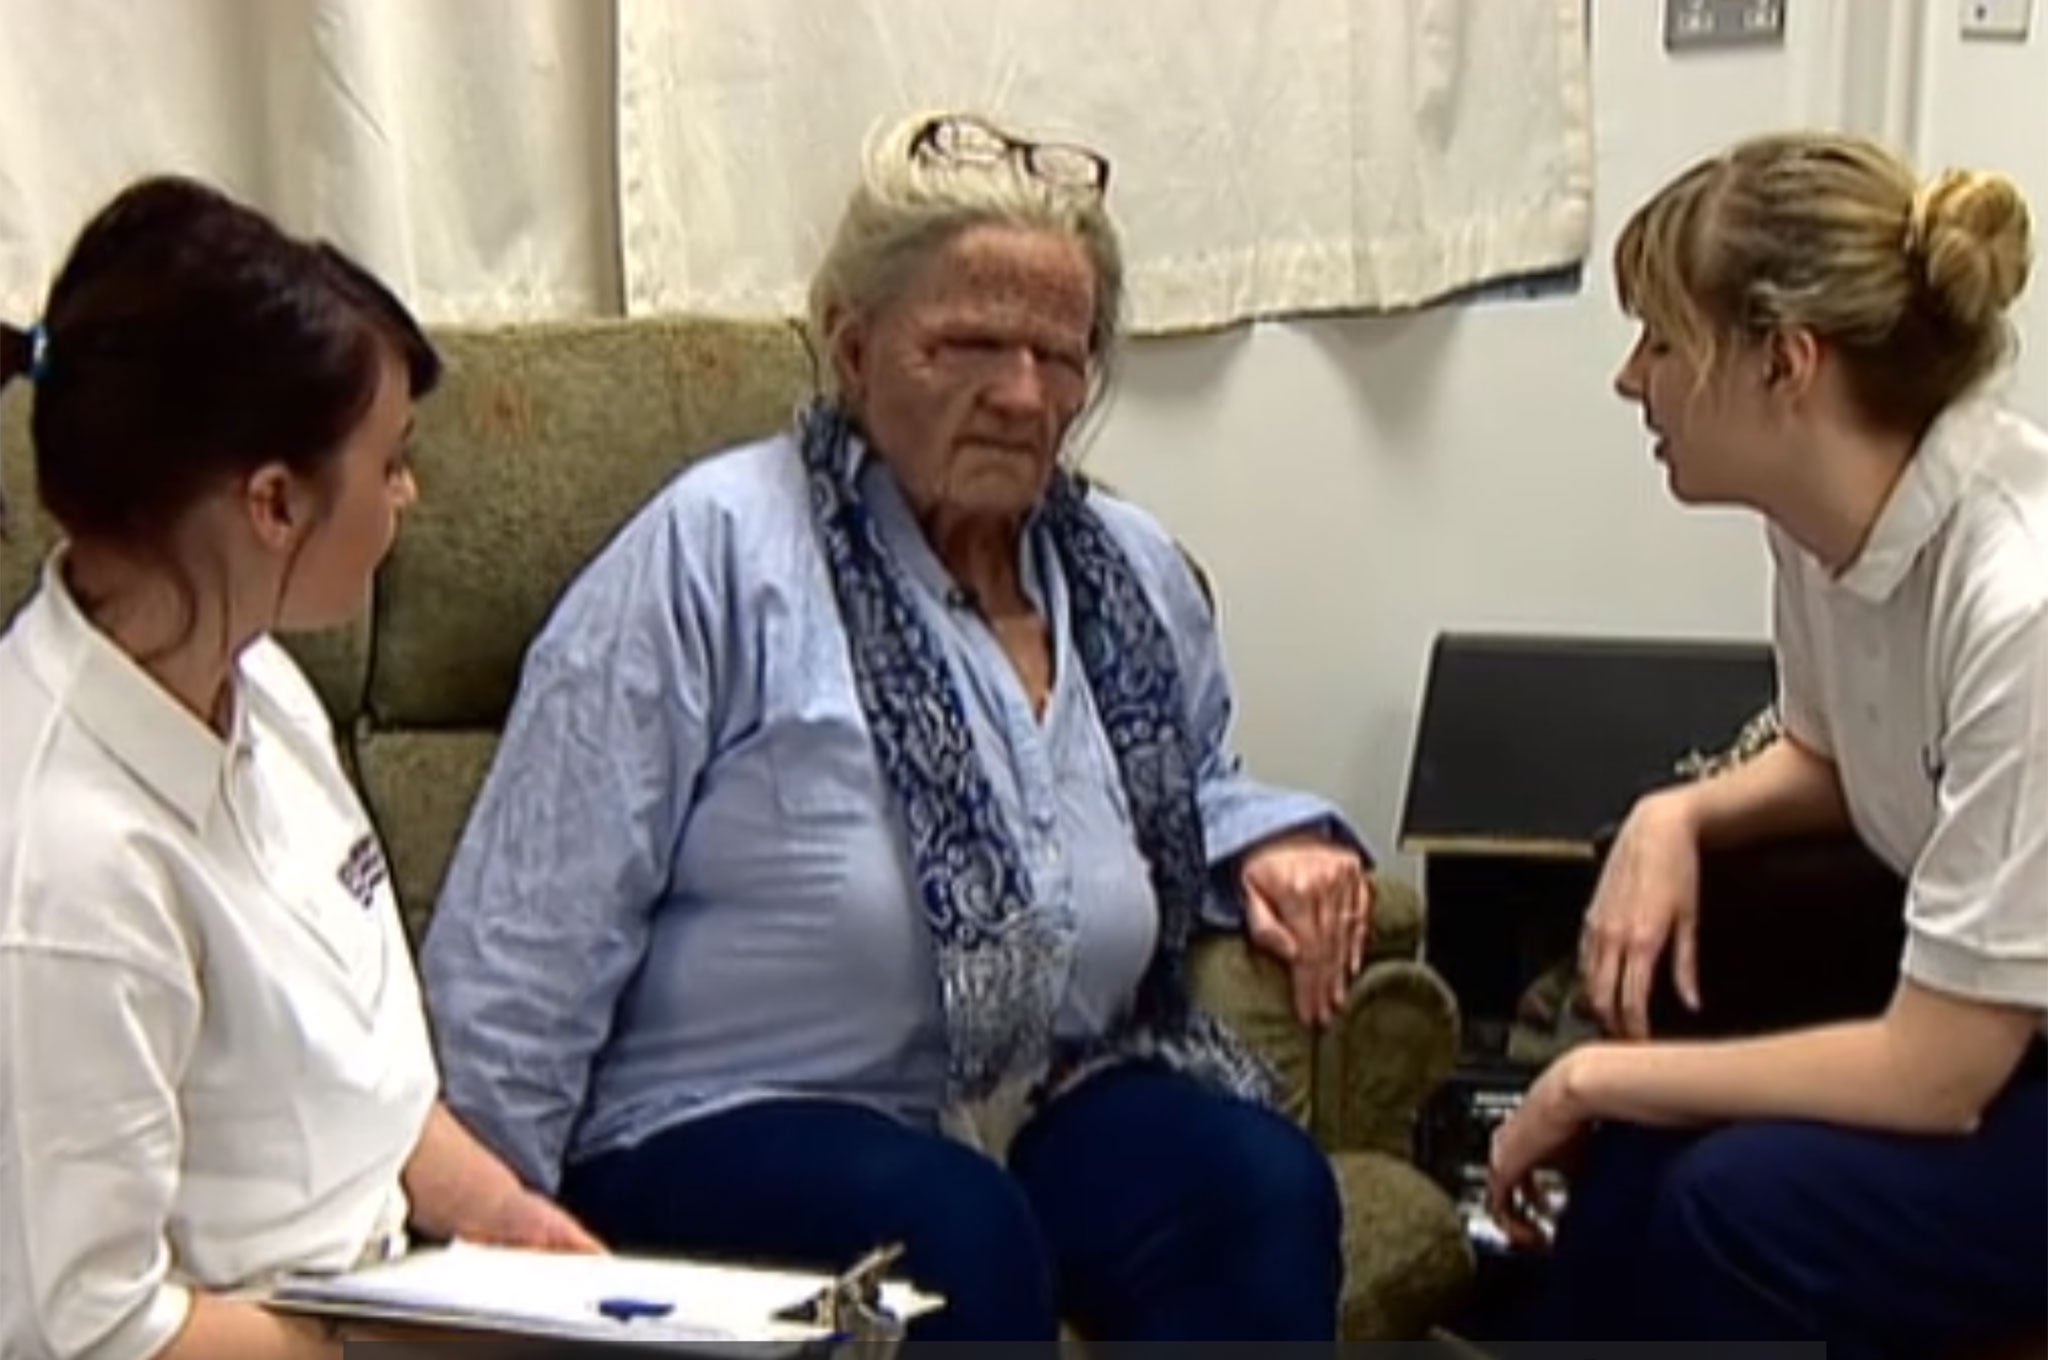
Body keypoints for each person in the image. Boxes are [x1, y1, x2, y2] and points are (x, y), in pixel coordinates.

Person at [421, 111, 1371, 1342]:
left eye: (1058, 353)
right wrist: (478, 1234)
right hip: (715, 1117)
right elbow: (532, 920)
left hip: (1025, 1104)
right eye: (967, 343)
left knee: (1253, 1187)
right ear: (854, 351)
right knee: (950, 1233)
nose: (1020, 393)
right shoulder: (716, 551)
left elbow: (1176, 788)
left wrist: (1266, 840)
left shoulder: (1129, 573)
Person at [0, 177, 599, 1360]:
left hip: (380, 1296)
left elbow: (356, 1085)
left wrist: (510, 1230)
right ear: (272, 501)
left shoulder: (258, 683)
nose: (407, 497)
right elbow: (94, 1333)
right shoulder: (65, 872)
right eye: (389, 464)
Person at [1487, 132, 2048, 1355]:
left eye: (1660, 342)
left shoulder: (2020, 598)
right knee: (1651, 1109)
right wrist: (1673, 815)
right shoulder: (1824, 521)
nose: (1630, 380)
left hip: (1990, 1052)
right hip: (1988, 1022)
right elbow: (1845, 755)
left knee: (1727, 1206)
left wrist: (1581, 1078)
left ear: (1782, 363)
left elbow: (1935, 1077)